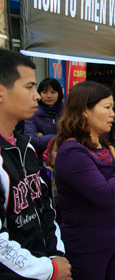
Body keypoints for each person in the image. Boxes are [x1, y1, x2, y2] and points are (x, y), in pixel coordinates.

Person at [54, 81, 115, 280]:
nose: (112, 114)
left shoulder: (104, 144)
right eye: (106, 107)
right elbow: (106, 194)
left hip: (113, 239)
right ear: (84, 111)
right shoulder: (72, 152)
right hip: (88, 246)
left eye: (112, 108)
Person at [0, 50, 71, 280]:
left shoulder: (26, 147)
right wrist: (49, 270)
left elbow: (44, 207)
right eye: (30, 87)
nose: (38, 96)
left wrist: (55, 255)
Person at [24, 77, 64, 164]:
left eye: (53, 92)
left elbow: (75, 137)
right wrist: (58, 137)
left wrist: (43, 137)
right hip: (40, 162)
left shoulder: (68, 111)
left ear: (59, 93)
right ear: (39, 94)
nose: (49, 96)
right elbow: (31, 140)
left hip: (66, 158)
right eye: (44, 92)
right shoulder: (32, 112)